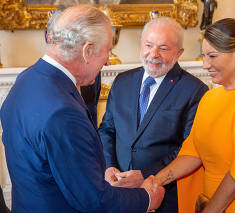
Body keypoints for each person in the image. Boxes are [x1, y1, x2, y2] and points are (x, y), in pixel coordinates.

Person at [0, 5, 165, 213]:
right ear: (87, 51)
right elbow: (93, 201)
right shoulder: (63, 112)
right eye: (107, 52)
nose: (107, 61)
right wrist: (147, 198)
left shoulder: (26, 79)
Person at [154, 18, 235, 213]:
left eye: (212, 56)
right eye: (204, 56)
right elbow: (192, 154)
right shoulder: (209, 98)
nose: (205, 65)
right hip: (209, 202)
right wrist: (155, 181)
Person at [98, 17, 208, 212]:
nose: (153, 54)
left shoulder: (194, 90)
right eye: (148, 45)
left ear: (179, 53)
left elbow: (188, 149)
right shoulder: (122, 81)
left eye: (163, 48)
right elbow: (107, 130)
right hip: (119, 193)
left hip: (166, 196)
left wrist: (145, 175)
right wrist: (109, 166)